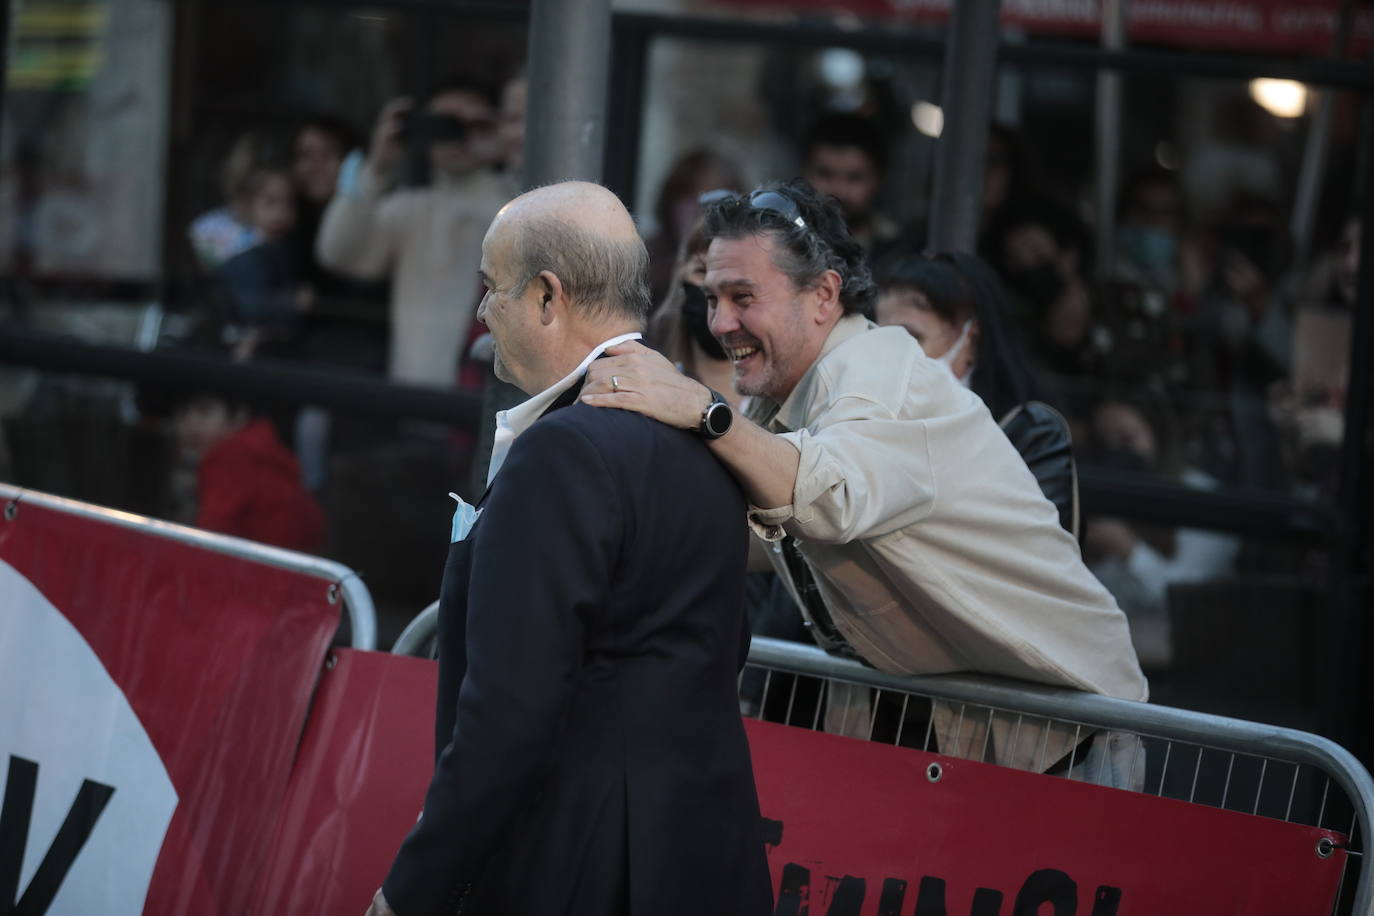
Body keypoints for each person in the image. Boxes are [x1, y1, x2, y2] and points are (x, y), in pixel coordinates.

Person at [582, 179, 1148, 785]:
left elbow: (832, 497)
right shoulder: (787, 395)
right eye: (713, 296)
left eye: (743, 296)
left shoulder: (876, 370)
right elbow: (740, 535)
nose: (720, 322)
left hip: (1069, 737)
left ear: (824, 295)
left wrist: (703, 409)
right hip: (992, 734)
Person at [367, 181, 772, 916]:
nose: (482, 313)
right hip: (702, 853)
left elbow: (508, 714)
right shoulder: (698, 429)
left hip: (580, 867)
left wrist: (409, 892)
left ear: (548, 298)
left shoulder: (562, 452)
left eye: (492, 289)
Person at [316, 82, 510, 387]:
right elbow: (337, 252)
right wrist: (376, 167)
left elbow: (516, 230)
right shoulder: (410, 208)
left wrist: (499, 149)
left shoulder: (514, 201)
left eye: (469, 124)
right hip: (418, 400)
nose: (455, 134)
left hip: (490, 401)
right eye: (442, 125)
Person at [875, 250, 1077, 536]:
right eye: (882, 339)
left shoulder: (1030, 434)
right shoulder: (870, 423)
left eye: (910, 338)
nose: (892, 356)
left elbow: (1045, 550)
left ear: (970, 337)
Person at [173, 393, 324, 553]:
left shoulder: (233, 457)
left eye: (204, 412)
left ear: (239, 417)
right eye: (183, 412)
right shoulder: (263, 449)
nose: (191, 423)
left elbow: (209, 537)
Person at [800, 112, 898, 256]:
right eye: (825, 174)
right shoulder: (777, 242)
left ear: (878, 179)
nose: (839, 191)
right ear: (804, 172)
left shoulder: (897, 250)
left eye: (854, 178)